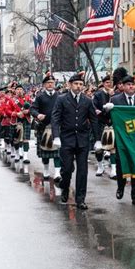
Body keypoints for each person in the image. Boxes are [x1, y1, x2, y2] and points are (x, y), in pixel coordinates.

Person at [51, 72, 100, 210]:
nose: (79, 87)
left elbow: (94, 120)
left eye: (81, 84)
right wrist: (56, 136)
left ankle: (80, 199)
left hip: (83, 140)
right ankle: (65, 188)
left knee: (82, 171)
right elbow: (55, 118)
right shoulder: (61, 99)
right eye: (76, 84)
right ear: (70, 85)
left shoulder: (87, 100)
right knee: (66, 170)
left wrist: (97, 139)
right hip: (66, 139)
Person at [107, 75, 135, 206]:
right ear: (123, 87)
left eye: (133, 84)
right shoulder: (115, 99)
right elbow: (109, 119)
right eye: (128, 84)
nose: (131, 86)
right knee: (121, 165)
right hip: (122, 140)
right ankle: (121, 186)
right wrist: (107, 110)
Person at [30, 72, 61, 181]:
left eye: (52, 82)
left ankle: (57, 173)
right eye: (48, 83)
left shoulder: (60, 96)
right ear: (44, 85)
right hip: (43, 127)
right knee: (45, 151)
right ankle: (46, 170)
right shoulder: (40, 97)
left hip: (57, 127)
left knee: (57, 151)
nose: (50, 84)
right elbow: (32, 109)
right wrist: (38, 115)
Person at [92, 75, 117, 179]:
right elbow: (94, 108)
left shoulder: (117, 95)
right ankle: (100, 166)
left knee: (113, 148)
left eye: (111, 82)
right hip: (101, 123)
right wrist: (103, 108)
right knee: (99, 148)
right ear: (103, 83)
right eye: (107, 82)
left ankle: (114, 169)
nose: (109, 84)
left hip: (112, 123)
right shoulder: (98, 95)